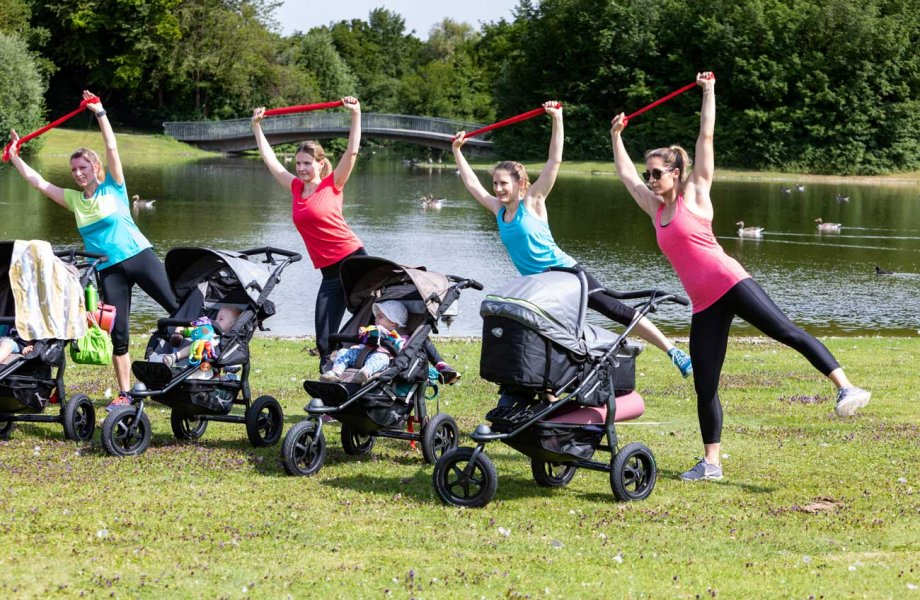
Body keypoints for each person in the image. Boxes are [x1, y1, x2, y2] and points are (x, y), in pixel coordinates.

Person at [610, 72, 871, 481]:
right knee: (705, 383)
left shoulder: (695, 193)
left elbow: (706, 139)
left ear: (676, 173)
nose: (650, 179)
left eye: (657, 173)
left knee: (786, 331)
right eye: (649, 174)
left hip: (732, 282)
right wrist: (617, 135)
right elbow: (625, 176)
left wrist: (709, 92)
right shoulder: (654, 209)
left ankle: (845, 386)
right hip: (704, 304)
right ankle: (711, 462)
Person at [452, 101, 693, 378]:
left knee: (613, 308)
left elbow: (554, 160)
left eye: (503, 183)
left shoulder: (532, 202)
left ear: (519, 184)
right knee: (536, 325)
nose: (498, 189)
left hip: (566, 275)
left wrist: (557, 119)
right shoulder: (498, 209)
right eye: (495, 184)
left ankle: (672, 350)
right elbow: (472, 185)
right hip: (539, 286)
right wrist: (458, 151)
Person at [251, 98, 460, 384]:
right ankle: (331, 387)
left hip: (355, 264)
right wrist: (257, 127)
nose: (301, 168)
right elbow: (271, 161)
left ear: (320, 163)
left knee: (384, 321)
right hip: (329, 275)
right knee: (324, 337)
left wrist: (356, 115)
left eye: (307, 163)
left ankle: (438, 363)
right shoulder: (296, 188)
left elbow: (352, 152)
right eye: (298, 163)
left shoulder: (332, 184)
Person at [8, 90, 177, 409]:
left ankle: (191, 363)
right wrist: (16, 155)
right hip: (108, 269)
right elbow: (39, 183)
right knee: (120, 335)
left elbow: (112, 146)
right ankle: (126, 393)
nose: (78, 173)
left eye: (83, 167)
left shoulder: (114, 185)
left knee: (176, 310)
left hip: (139, 256)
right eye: (74, 170)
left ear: (94, 167)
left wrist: (100, 112)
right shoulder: (74, 200)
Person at [320, 300, 407, 385]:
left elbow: (400, 348)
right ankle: (335, 372)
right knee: (343, 352)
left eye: (380, 317)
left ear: (393, 323)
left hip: (379, 356)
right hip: (362, 354)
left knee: (382, 359)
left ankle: (364, 373)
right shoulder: (371, 330)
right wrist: (361, 341)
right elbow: (364, 342)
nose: (376, 319)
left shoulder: (396, 336)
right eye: (376, 316)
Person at [150, 306, 242, 368]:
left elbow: (234, 361)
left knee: (199, 343)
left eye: (221, 319)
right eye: (216, 318)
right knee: (191, 332)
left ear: (232, 325)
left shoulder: (227, 340)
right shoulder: (210, 330)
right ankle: (178, 337)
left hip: (197, 357)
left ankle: (175, 357)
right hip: (187, 353)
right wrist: (183, 330)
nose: (215, 321)